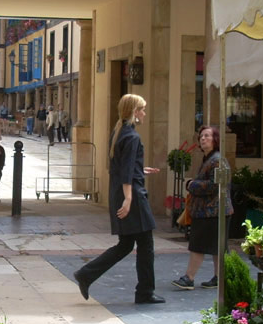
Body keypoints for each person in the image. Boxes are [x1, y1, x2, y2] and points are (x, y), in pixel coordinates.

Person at [73, 94, 163, 304]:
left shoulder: (119, 132)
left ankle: (87, 274)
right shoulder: (132, 136)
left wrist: (141, 170)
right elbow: (125, 172)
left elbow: (125, 166)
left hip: (124, 194)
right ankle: (144, 292)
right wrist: (129, 198)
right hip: (133, 198)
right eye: (142, 109)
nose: (144, 113)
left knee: (126, 245)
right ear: (134, 111)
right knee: (145, 245)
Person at [171, 125, 234, 290]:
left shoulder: (218, 160)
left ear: (215, 140)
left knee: (199, 245)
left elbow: (217, 185)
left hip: (213, 211)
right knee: (216, 247)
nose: (203, 139)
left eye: (207, 136)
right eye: (201, 136)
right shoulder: (209, 159)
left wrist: (192, 184)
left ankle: (189, 278)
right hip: (208, 211)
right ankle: (219, 277)